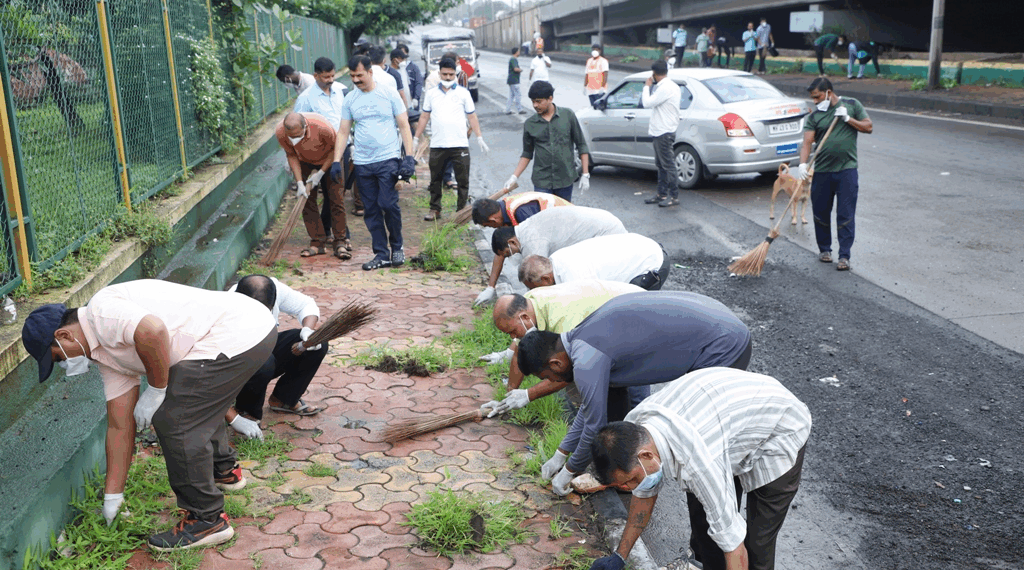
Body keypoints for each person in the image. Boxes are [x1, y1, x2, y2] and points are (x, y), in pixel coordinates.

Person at [21, 280, 276, 549]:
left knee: (175, 418)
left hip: (241, 331)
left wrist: (156, 390)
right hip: (247, 329)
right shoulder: (106, 355)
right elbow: (119, 427)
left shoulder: (101, 313)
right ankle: (223, 470)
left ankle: (206, 519)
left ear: (64, 336)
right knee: (192, 396)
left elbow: (152, 331)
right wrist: (112, 497)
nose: (64, 365)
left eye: (58, 358)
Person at [514, 290, 753, 496]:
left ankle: (713, 509)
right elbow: (589, 410)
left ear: (555, 363)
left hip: (724, 343)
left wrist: (568, 471)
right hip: (718, 319)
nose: (552, 382)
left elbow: (594, 425)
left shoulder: (586, 361)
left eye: (547, 377)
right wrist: (560, 454)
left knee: (700, 434)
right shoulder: (580, 339)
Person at [587, 368, 811, 570]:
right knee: (704, 522)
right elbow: (644, 497)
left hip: (779, 427)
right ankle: (702, 564)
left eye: (632, 480)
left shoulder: (699, 464)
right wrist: (620, 556)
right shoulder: (634, 429)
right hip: (726, 422)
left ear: (646, 455)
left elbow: (734, 548)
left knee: (756, 546)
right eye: (623, 485)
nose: (630, 488)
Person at [479, 280, 643, 403]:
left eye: (513, 332)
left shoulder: (564, 321)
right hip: (611, 312)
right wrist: (509, 395)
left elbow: (568, 371)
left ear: (524, 318)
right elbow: (520, 349)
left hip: (636, 313)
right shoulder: (527, 302)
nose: (512, 338)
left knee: (632, 383)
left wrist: (528, 395)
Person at [329, 55, 415, 271]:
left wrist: (409, 157)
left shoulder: (388, 93)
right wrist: (336, 161)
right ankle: (381, 254)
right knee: (371, 210)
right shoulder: (350, 99)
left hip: (388, 158)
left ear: (370, 72)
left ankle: (397, 246)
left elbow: (404, 125)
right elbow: (343, 130)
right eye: (352, 76)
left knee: (388, 203)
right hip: (362, 162)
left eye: (359, 75)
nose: (356, 80)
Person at [225, 275, 327, 440]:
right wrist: (233, 418)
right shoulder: (225, 308)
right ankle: (246, 412)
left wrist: (307, 331)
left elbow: (307, 305)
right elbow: (203, 375)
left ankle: (284, 399)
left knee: (318, 344)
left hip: (266, 348)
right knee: (263, 362)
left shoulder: (274, 289)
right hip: (235, 367)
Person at [474, 206, 627, 306]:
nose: (511, 256)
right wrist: (490, 287)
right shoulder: (524, 229)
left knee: (594, 286)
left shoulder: (532, 241)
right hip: (604, 221)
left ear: (512, 242)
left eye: (509, 253)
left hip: (606, 234)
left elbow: (540, 281)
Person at [794, 77, 872, 271]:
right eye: (813, 98)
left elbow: (868, 127)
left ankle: (844, 255)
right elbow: (807, 142)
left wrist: (848, 119)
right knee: (821, 213)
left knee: (845, 214)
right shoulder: (814, 116)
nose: (815, 101)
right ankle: (825, 250)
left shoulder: (852, 105)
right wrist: (803, 164)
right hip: (822, 171)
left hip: (847, 170)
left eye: (818, 97)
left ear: (829, 92)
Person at [413, 57, 488, 222]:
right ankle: (435, 209)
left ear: (456, 74)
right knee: (435, 179)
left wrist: (479, 137)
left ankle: (461, 210)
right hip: (438, 144)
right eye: (445, 74)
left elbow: (472, 116)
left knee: (462, 180)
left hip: (459, 144)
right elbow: (425, 116)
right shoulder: (431, 94)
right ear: (439, 73)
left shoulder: (463, 93)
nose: (447, 77)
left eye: (451, 74)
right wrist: (416, 137)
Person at [292, 57, 352, 256]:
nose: (330, 80)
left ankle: (340, 239)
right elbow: (296, 131)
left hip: (337, 151)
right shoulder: (306, 98)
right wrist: (302, 177)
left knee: (336, 196)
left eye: (333, 75)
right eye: (326, 77)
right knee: (308, 199)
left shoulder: (340, 92)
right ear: (315, 75)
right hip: (309, 155)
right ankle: (317, 240)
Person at [504, 81, 590, 202]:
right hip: (542, 181)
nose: (535, 105)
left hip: (565, 179)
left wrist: (585, 174)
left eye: (538, 101)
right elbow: (527, 154)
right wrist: (514, 177)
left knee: (563, 215)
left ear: (550, 98)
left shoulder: (568, 115)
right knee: (544, 216)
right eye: (533, 101)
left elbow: (581, 144)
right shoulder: (530, 124)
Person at [276, 112, 345, 259]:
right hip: (305, 162)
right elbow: (291, 155)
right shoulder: (280, 132)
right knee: (306, 201)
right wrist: (300, 182)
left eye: (297, 136)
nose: (294, 140)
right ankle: (317, 242)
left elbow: (335, 149)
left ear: (305, 127)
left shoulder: (322, 127)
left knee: (336, 199)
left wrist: (320, 173)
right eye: (291, 137)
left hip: (331, 160)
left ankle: (340, 242)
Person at [518, 233, 669, 291]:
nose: (535, 293)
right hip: (640, 244)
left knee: (630, 310)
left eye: (535, 289)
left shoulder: (575, 279)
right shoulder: (555, 260)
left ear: (546, 278)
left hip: (651, 262)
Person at [641, 61, 681, 208]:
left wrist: (647, 86)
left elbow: (647, 103)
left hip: (664, 131)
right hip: (660, 130)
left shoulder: (666, 88)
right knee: (661, 165)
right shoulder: (668, 86)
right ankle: (661, 194)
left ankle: (673, 196)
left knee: (668, 165)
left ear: (654, 74)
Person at [470, 191, 572, 228]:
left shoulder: (521, 213)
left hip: (571, 222)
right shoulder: (505, 206)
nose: (495, 228)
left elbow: (538, 241)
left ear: (493, 220)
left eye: (489, 226)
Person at [506, 46, 526, 114]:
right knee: (518, 95)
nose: (519, 53)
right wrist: (520, 70)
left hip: (512, 80)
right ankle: (520, 109)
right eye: (519, 51)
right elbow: (515, 69)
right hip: (514, 80)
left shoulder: (512, 59)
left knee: (511, 96)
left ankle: (507, 110)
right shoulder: (514, 59)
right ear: (516, 52)